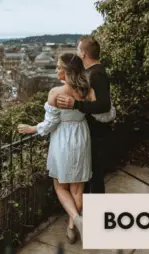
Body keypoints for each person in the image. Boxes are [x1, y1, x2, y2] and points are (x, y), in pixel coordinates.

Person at [17, 53, 108, 244]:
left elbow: (50, 123)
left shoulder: (56, 93)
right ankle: (72, 228)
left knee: (60, 186)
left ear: (67, 71)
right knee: (77, 187)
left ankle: (76, 219)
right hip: (82, 137)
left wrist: (33, 128)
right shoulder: (87, 91)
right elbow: (100, 110)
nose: (56, 70)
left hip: (63, 139)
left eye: (59, 67)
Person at [54, 35, 115, 195]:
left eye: (78, 49)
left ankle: (96, 215)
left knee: (95, 178)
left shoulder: (97, 74)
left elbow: (104, 105)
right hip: (93, 133)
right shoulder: (91, 72)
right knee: (91, 177)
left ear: (83, 53)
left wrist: (75, 104)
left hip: (98, 134)